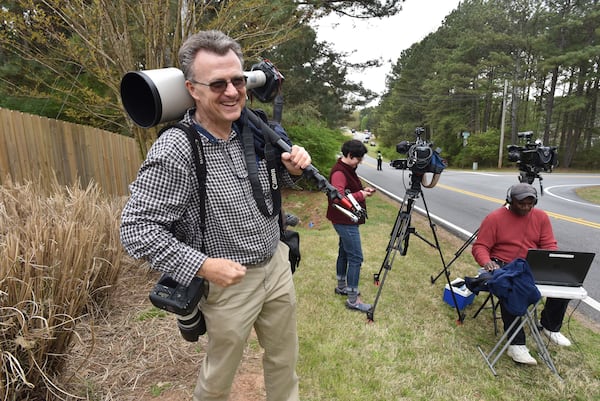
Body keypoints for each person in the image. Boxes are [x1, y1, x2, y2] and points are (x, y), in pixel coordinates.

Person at [120, 30, 311, 401]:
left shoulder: (252, 127)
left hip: (276, 266)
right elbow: (136, 228)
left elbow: (270, 182)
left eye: (238, 81)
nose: (231, 92)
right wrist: (203, 266)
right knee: (218, 380)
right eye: (218, 83)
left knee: (284, 362)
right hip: (227, 285)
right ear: (192, 88)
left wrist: (294, 169)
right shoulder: (177, 147)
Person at [472, 182, 572, 366]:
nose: (526, 207)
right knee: (510, 287)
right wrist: (487, 262)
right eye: (521, 203)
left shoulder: (541, 217)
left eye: (530, 203)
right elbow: (480, 246)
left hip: (531, 267)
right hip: (504, 267)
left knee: (565, 280)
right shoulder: (494, 218)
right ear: (510, 200)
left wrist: (551, 262)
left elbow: (549, 245)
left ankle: (551, 326)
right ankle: (516, 344)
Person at [326, 139, 376, 312]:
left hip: (345, 219)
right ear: (349, 155)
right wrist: (361, 195)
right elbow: (338, 197)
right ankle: (353, 300)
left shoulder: (348, 168)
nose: (360, 162)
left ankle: (342, 287)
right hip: (345, 220)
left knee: (344, 252)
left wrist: (363, 190)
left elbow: (348, 191)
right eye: (358, 158)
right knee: (356, 257)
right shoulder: (340, 172)